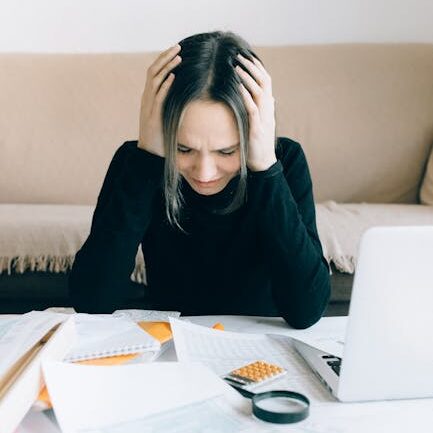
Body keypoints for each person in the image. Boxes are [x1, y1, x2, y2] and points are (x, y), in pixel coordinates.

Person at [69, 31, 331, 329]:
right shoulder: (139, 162)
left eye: (227, 151)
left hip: (260, 345)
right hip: (170, 346)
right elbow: (91, 302)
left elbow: (307, 310)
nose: (205, 173)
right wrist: (148, 159)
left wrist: (265, 169)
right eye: (184, 148)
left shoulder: (285, 161)